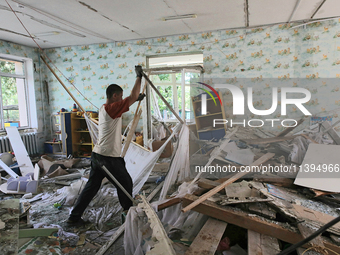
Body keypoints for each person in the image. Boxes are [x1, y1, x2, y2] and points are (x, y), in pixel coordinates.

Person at [67, 65, 145, 224]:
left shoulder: (105, 108)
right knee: (125, 183)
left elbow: (132, 98)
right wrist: (139, 77)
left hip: (98, 156)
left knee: (92, 188)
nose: (123, 99)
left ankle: (74, 217)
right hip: (108, 158)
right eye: (121, 96)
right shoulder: (112, 108)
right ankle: (128, 216)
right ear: (115, 96)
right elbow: (132, 95)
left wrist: (135, 99)